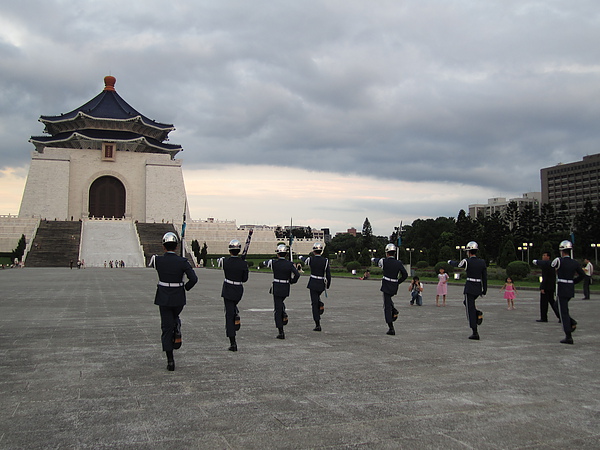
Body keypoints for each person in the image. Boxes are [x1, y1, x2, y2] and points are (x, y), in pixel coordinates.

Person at [153, 232, 198, 371]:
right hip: (178, 298)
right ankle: (176, 324)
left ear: (163, 246)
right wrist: (185, 288)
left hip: (164, 298)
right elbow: (194, 279)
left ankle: (170, 360)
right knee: (174, 317)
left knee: (166, 327)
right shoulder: (182, 262)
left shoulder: (158, 260)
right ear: (177, 247)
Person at [449, 241, 487, 340]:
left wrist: (450, 262)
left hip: (470, 287)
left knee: (469, 309)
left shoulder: (467, 261)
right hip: (478, 287)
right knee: (467, 303)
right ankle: (477, 313)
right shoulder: (482, 262)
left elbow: (458, 264)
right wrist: (484, 289)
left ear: (469, 252)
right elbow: (484, 277)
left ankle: (475, 332)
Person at [552, 240, 585, 344]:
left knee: (563, 312)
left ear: (561, 251)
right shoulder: (574, 262)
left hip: (562, 289)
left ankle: (568, 335)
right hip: (570, 289)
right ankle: (572, 322)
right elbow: (582, 275)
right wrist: (573, 282)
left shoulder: (560, 261)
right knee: (556, 305)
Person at [220, 239, 249, 351]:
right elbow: (245, 279)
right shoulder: (243, 263)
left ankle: (233, 343)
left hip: (228, 289)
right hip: (238, 290)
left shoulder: (225, 262)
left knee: (229, 315)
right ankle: (235, 312)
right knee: (232, 308)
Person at [268, 244, 300, 339]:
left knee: (277, 309)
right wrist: (292, 281)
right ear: (286, 254)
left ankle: (281, 331)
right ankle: (283, 312)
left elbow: (266, 262)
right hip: (285, 287)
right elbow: (297, 275)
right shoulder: (289, 264)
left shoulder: (274, 263)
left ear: (278, 254)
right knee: (281, 303)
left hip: (277, 287)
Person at [378, 243, 408, 335]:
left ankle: (391, 328)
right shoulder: (398, 263)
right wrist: (397, 282)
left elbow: (379, 264)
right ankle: (394, 310)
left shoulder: (384, 261)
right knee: (388, 300)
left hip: (386, 284)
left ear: (387, 252)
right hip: (394, 285)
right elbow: (405, 275)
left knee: (387, 306)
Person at [304, 242, 331, 331]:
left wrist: (300, 257)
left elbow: (304, 260)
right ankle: (320, 303)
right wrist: (328, 285)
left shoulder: (311, 259)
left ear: (314, 251)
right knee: (316, 298)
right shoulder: (325, 261)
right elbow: (328, 274)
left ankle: (317, 324)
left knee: (314, 303)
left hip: (313, 283)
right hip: (321, 283)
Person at [532, 252, 560, 323]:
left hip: (546, 286)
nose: (543, 257)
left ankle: (544, 317)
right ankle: (560, 316)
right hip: (551, 286)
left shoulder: (546, 264)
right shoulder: (552, 264)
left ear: (548, 257)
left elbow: (545, 277)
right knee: (552, 302)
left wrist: (542, 287)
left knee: (544, 303)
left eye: (544, 255)